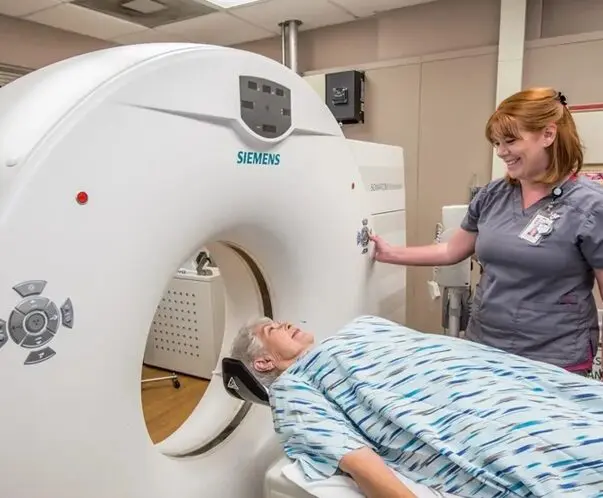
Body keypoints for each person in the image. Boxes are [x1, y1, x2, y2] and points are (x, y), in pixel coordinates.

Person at [230, 314, 603, 498]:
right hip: (462, 415)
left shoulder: (360, 327)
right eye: (274, 329)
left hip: (489, 381)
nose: (288, 323)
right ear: (263, 362)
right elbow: (355, 458)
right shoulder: (294, 388)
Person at [370, 87, 603, 375]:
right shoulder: (495, 194)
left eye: (510, 140)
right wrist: (388, 252)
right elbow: (451, 249)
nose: (501, 152)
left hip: (554, 358)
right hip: (484, 346)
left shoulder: (590, 205)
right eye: (496, 143)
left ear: (548, 134)